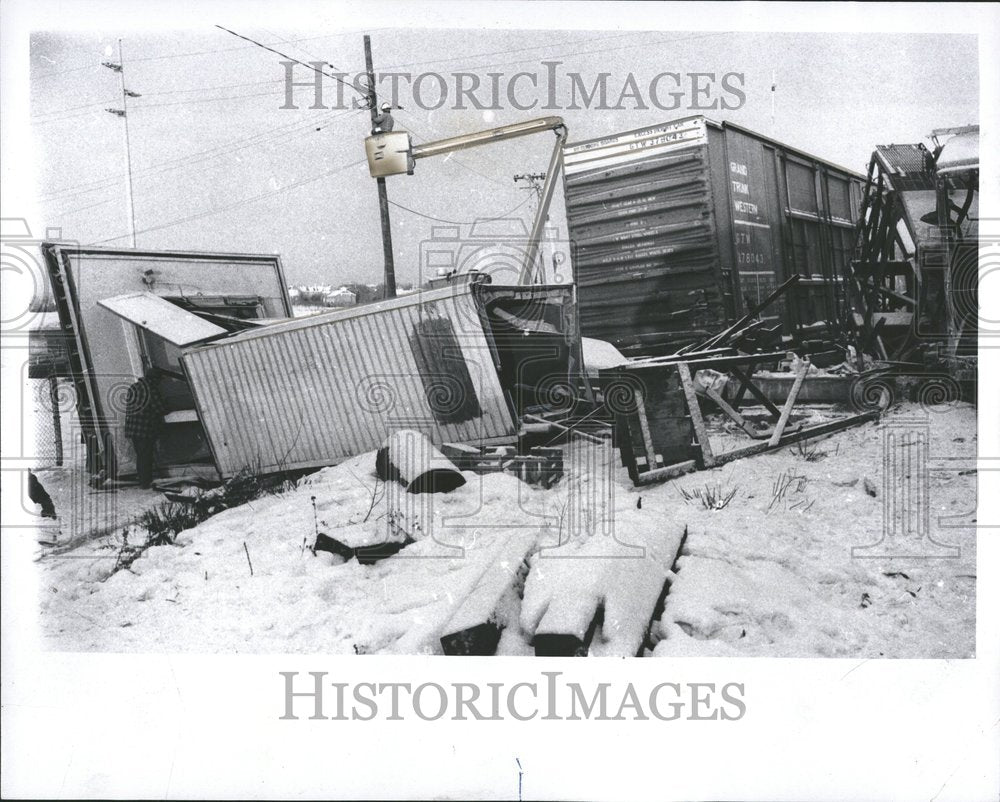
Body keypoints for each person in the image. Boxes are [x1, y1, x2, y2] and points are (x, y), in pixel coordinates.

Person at [123, 366, 166, 489]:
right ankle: (145, 482)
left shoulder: (134, 387)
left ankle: (144, 479)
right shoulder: (151, 389)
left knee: (141, 455)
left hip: (133, 428)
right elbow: (160, 409)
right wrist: (168, 405)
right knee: (145, 456)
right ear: (155, 379)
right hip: (145, 429)